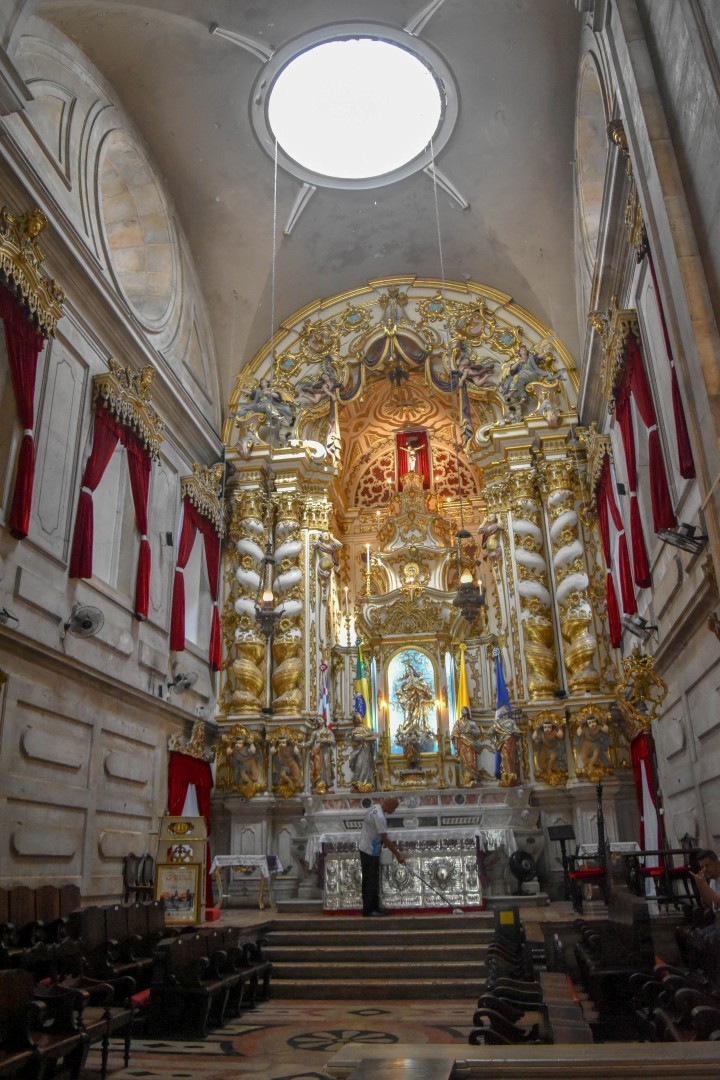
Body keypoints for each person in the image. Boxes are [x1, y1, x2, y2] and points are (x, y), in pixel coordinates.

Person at [357, 796, 405, 917]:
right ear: (388, 805)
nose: (393, 811)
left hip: (367, 847)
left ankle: (374, 907)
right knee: (371, 881)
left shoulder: (375, 807)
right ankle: (369, 910)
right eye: (393, 808)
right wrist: (398, 855)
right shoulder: (379, 816)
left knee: (371, 880)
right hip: (369, 850)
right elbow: (384, 838)